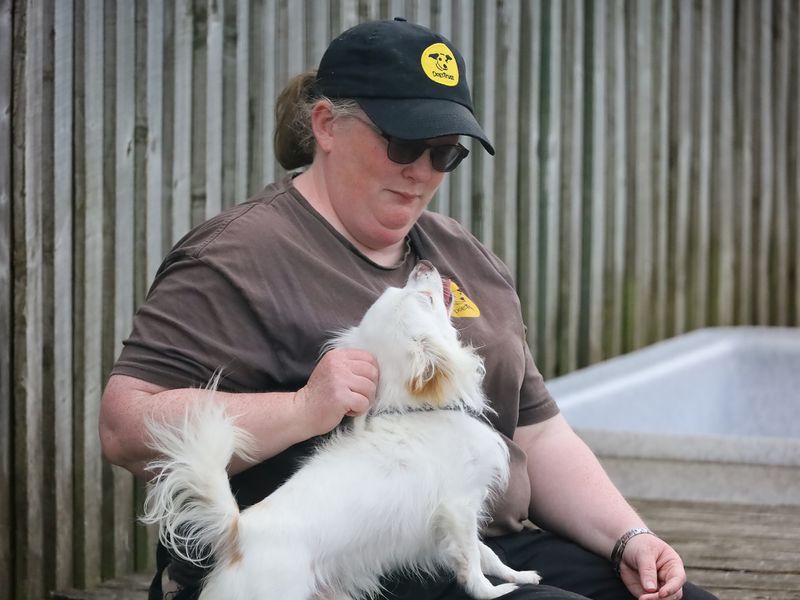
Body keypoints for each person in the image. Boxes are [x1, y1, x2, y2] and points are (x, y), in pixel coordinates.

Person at [100, 18, 718, 600]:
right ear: (325, 125)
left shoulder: (461, 252)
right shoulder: (238, 255)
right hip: (335, 569)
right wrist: (301, 408)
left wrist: (628, 539)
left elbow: (537, 430)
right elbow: (124, 426)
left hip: (479, 543)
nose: (422, 171)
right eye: (402, 143)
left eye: (444, 151)